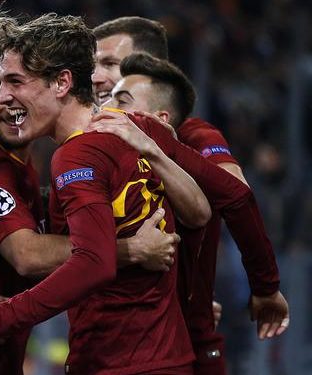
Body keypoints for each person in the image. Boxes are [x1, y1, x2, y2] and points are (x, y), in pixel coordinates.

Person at [0, 12, 288, 375]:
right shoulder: (139, 127)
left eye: (16, 82)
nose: (4, 98)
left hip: (112, 362)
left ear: (62, 83)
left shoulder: (75, 156)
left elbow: (92, 262)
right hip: (172, 357)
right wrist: (266, 287)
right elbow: (235, 197)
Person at [0, 38, 199, 374]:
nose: (11, 99)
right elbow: (28, 256)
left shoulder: (17, 167)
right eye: (0, 85)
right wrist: (129, 249)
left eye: (20, 85)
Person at [90, 16, 282, 374]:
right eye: (93, 65)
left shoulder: (191, 134)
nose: (96, 76)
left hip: (182, 351)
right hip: (103, 349)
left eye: (110, 64)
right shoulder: (89, 139)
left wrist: (265, 286)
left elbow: (236, 194)